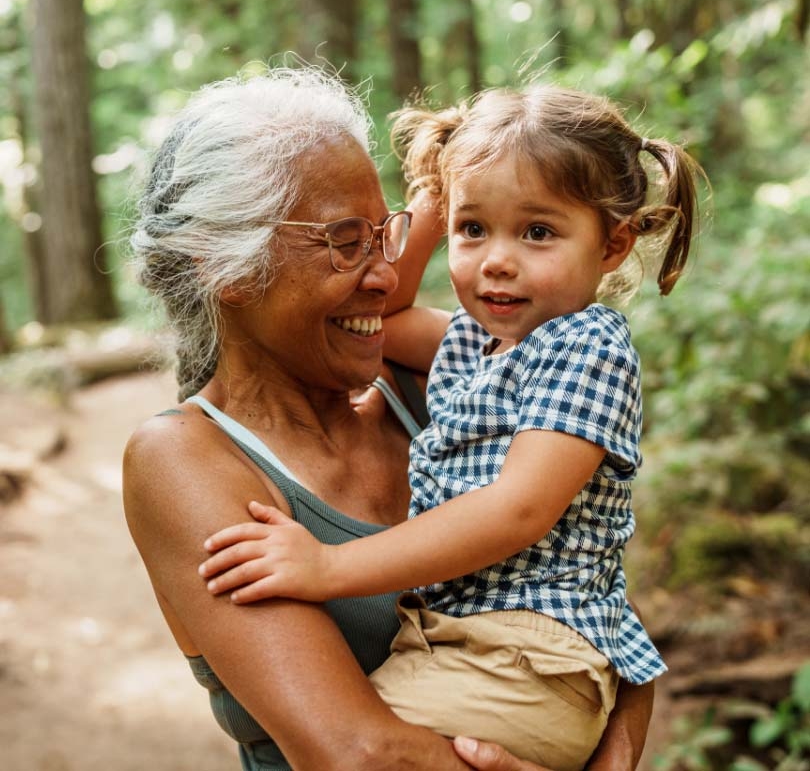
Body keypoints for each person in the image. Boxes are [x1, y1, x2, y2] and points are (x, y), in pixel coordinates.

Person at [123, 64, 655, 771]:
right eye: (348, 241)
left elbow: (586, 585)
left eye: (389, 234)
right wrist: (451, 193)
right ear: (228, 268)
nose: (383, 271)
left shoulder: (445, 380)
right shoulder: (184, 460)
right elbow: (358, 754)